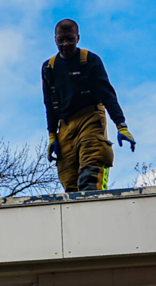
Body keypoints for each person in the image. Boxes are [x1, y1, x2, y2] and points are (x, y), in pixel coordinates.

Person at [42, 18, 136, 192]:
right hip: (65, 125)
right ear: (55, 40)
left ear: (78, 38)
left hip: (90, 119)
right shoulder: (49, 67)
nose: (65, 44)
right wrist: (52, 135)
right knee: (70, 184)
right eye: (61, 40)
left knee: (90, 176)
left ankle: (95, 203)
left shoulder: (89, 60)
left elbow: (107, 95)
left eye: (70, 39)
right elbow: (49, 104)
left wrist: (121, 125)